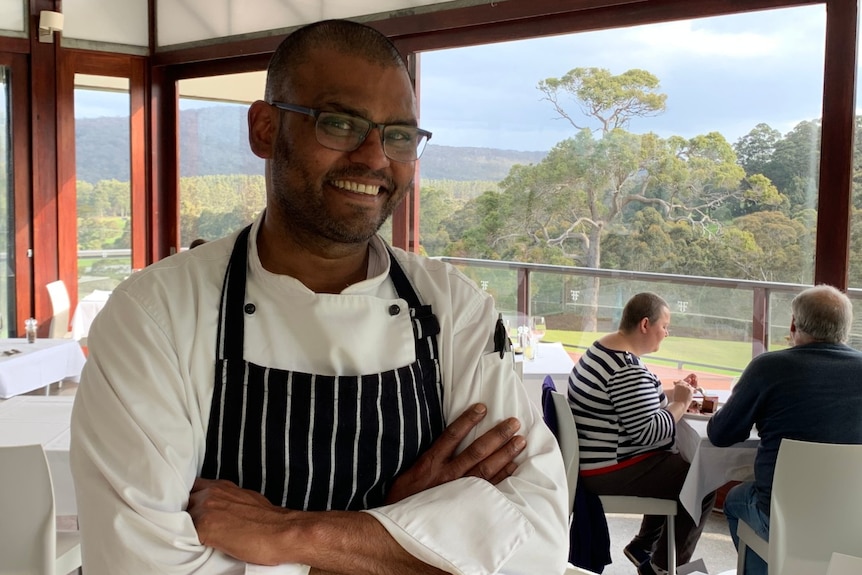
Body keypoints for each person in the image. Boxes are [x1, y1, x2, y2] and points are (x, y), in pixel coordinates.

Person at [69, 18, 568, 575]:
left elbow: (537, 545)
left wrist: (297, 533)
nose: (376, 158)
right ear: (263, 129)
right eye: (340, 123)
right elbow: (143, 566)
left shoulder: (455, 309)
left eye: (399, 134)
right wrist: (413, 535)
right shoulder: (155, 315)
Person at [707, 284, 862, 575]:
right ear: (847, 328)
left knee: (736, 499)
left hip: (785, 519)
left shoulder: (769, 367)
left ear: (793, 324)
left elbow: (721, 434)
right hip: (856, 522)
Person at [568, 292, 716, 575]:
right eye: (664, 326)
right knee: (701, 479)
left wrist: (675, 393)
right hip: (608, 469)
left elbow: (634, 401)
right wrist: (681, 403)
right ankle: (662, 566)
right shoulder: (626, 368)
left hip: (591, 461)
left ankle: (644, 545)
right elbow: (650, 433)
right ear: (645, 325)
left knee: (674, 465)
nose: (667, 333)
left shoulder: (602, 351)